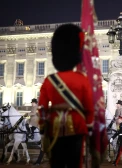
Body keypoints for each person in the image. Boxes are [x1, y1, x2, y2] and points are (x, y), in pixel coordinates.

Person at [38, 24, 94, 168]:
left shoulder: (49, 81)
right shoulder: (82, 79)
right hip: (76, 125)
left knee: (56, 162)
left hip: (54, 127)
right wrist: (89, 126)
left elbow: (42, 108)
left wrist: (43, 126)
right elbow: (89, 107)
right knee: (75, 163)